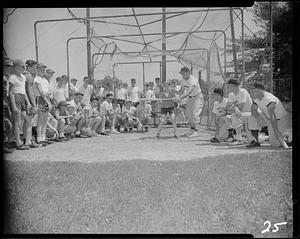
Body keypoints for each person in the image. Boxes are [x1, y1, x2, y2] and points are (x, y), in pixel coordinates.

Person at [249, 81, 291, 149]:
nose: (250, 94)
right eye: (250, 91)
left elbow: (273, 117)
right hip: (270, 119)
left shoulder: (269, 99)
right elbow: (253, 110)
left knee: (277, 143)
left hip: (281, 119)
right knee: (274, 144)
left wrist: (276, 131)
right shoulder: (255, 98)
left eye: (252, 91)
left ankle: (288, 134)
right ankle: (256, 140)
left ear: (259, 91)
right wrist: (258, 118)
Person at [225, 77, 260, 147]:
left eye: (229, 86)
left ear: (234, 86)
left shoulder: (242, 92)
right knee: (230, 115)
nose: (227, 87)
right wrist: (233, 107)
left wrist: (232, 106)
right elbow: (226, 108)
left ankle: (239, 139)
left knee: (234, 115)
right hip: (243, 115)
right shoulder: (231, 94)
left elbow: (239, 108)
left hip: (252, 114)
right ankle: (240, 137)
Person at [9, 59, 35, 150]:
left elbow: (24, 92)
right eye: (22, 67)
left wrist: (28, 102)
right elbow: (11, 92)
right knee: (17, 122)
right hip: (16, 98)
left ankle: (26, 140)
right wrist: (13, 106)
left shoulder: (23, 77)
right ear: (16, 67)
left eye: (24, 67)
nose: (24, 68)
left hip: (23, 98)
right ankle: (18, 143)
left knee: (27, 120)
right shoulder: (12, 77)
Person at [179, 66, 203, 138]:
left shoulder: (193, 80)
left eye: (184, 73)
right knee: (188, 114)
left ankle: (196, 131)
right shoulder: (182, 80)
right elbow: (182, 91)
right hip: (190, 98)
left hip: (197, 97)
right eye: (181, 74)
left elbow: (189, 91)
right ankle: (192, 130)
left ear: (188, 72)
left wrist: (180, 98)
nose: (182, 75)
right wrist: (176, 93)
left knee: (195, 114)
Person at [3, 57, 15, 153]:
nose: (9, 68)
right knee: (7, 124)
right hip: (4, 103)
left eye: (10, 66)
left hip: (6, 102)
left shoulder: (8, 77)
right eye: (7, 66)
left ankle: (8, 142)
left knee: (8, 124)